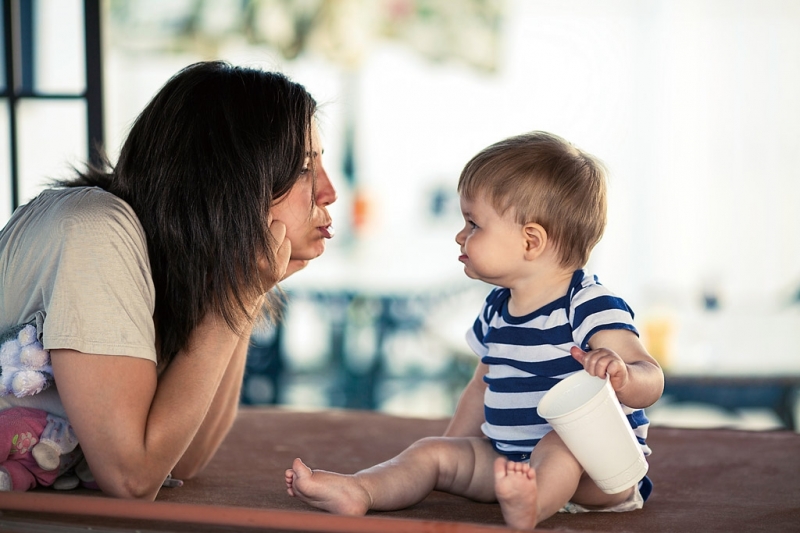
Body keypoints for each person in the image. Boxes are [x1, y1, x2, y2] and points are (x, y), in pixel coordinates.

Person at [285, 131, 664, 530]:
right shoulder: (497, 309)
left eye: (473, 223)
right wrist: (451, 451)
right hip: (507, 462)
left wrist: (623, 375)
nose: (460, 235)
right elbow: (481, 386)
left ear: (530, 241)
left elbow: (650, 377)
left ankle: (530, 507)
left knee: (561, 442)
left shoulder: (586, 303)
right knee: (429, 452)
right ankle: (360, 490)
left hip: (600, 472)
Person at [0, 60, 337, 498]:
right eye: (303, 168)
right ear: (230, 181)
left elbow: (182, 459)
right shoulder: (95, 231)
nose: (329, 191)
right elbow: (133, 477)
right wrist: (234, 296)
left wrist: (245, 294)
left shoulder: (164, 264)